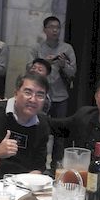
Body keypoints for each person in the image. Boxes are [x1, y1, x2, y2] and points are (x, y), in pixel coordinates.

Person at [27, 16, 77, 166]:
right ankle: (37, 163)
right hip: (40, 96)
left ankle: (56, 165)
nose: (55, 30)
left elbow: (73, 72)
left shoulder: (67, 48)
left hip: (60, 96)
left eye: (58, 27)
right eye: (51, 27)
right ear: (45, 30)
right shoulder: (37, 48)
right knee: (37, 128)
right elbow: (29, 69)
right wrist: (44, 63)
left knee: (59, 134)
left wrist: (63, 65)